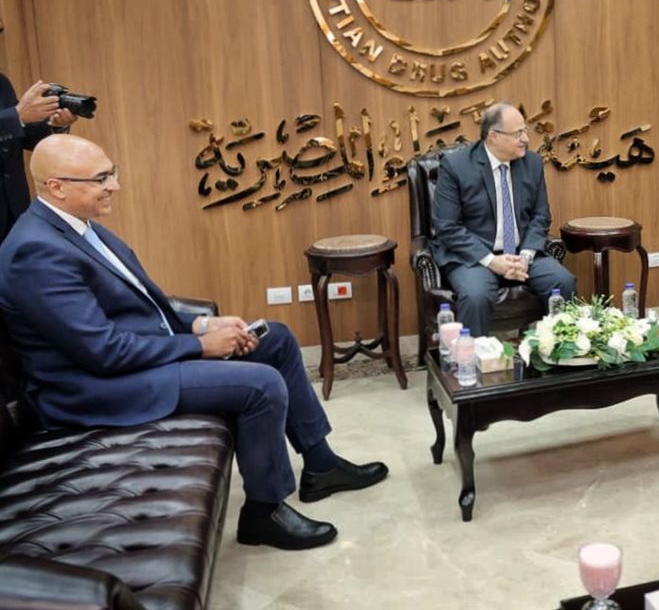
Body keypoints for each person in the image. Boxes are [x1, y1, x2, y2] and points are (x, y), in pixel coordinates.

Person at [0, 135, 388, 551]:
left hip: (119, 365)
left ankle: (321, 466)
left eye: (112, 173)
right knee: (260, 385)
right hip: (91, 389)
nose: (114, 185)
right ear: (56, 187)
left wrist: (201, 324)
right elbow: (103, 351)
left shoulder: (78, 228)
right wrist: (202, 345)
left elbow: (139, 310)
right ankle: (264, 512)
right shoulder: (35, 251)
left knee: (274, 338)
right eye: (100, 179)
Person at [431, 102, 576, 335]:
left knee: (563, 281)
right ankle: (472, 356)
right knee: (476, 296)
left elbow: (540, 216)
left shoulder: (532, 163)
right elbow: (447, 227)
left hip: (521, 253)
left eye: (525, 131)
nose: (525, 139)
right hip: (474, 256)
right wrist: (491, 261)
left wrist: (526, 256)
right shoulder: (456, 166)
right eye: (517, 133)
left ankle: (559, 351)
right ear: (494, 136)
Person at [0, 74, 80, 242]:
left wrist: (55, 125)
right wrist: (17, 116)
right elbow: (14, 119)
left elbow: (18, 135)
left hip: (15, 210)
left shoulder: (1, 82)